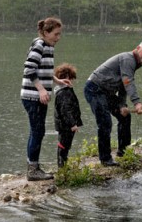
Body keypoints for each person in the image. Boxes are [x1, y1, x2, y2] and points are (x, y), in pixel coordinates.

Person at [84, 40, 142, 166]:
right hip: (94, 89)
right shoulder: (128, 59)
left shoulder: (133, 63)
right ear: (138, 48)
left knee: (125, 116)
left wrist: (122, 105)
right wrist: (137, 102)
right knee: (105, 123)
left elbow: (123, 85)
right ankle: (105, 159)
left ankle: (124, 152)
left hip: (106, 93)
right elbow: (128, 81)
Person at [21, 17, 69, 181]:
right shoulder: (39, 45)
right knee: (37, 131)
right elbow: (29, 69)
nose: (58, 37)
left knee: (37, 131)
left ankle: (33, 167)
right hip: (32, 96)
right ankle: (33, 171)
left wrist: (57, 81)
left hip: (38, 96)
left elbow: (44, 69)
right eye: (56, 34)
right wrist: (41, 90)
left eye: (59, 34)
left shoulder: (48, 46)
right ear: (46, 33)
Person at [54, 63, 83, 168]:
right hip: (66, 126)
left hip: (65, 125)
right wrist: (72, 124)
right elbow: (65, 110)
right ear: (67, 78)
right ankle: (62, 166)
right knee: (64, 145)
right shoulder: (64, 93)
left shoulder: (64, 91)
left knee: (65, 145)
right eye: (72, 78)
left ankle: (63, 165)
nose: (73, 81)